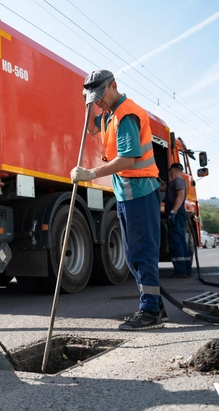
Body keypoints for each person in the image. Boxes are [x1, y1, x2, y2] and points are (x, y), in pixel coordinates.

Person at [71, 69, 165, 331]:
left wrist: (90, 173)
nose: (99, 100)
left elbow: (127, 159)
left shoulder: (125, 115)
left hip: (141, 192)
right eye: (94, 97)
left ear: (114, 85)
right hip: (126, 193)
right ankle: (155, 305)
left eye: (100, 95)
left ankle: (150, 312)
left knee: (141, 252)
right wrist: (88, 104)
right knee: (133, 253)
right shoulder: (108, 115)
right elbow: (91, 129)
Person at [163, 163, 192, 277]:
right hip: (178, 214)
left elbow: (180, 196)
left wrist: (173, 211)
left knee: (176, 242)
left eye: (170, 172)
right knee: (180, 241)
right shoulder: (175, 182)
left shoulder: (178, 181)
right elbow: (165, 188)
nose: (170, 174)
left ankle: (180, 271)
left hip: (177, 214)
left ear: (174, 170)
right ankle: (186, 270)